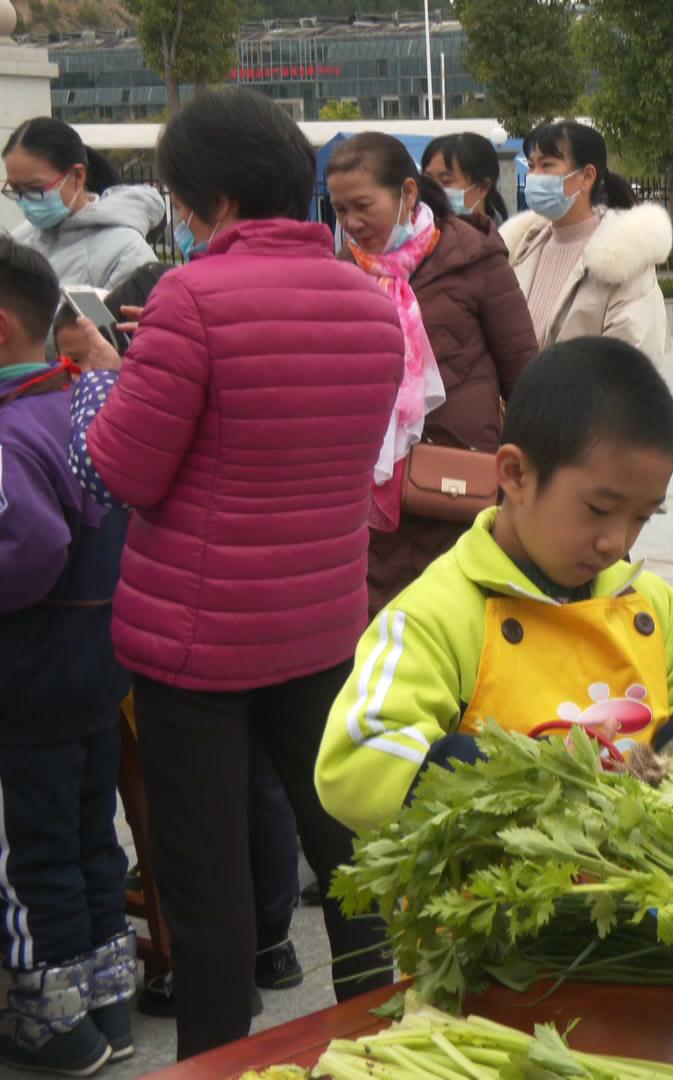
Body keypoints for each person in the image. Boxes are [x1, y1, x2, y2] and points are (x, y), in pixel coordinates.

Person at [62, 86, 402, 1060]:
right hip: (320, 626)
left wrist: (109, 373)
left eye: (177, 197)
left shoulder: (191, 298)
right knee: (347, 857)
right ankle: (381, 1042)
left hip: (196, 643)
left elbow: (122, 471)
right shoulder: (369, 302)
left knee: (206, 885)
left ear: (209, 199)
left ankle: (218, 1059)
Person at [315, 337, 673, 833]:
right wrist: (524, 771)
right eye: (599, 509)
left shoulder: (647, 603)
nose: (616, 541)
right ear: (516, 474)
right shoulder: (436, 614)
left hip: (639, 874)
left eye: (642, 517)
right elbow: (356, 759)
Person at [92, 262, 307, 1018]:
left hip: (196, 621)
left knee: (199, 816)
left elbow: (124, 473)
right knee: (268, 784)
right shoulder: (325, 324)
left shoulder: (181, 346)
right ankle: (272, 943)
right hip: (297, 609)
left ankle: (220, 984)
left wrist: (124, 375)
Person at [0, 237, 134, 1077]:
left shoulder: (10, 429)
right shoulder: (81, 405)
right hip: (94, 663)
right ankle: (107, 1006)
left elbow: (30, 545)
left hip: (29, 673)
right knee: (91, 839)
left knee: (33, 852)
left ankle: (56, 1028)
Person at [326, 132, 540, 612]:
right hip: (372, 496)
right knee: (383, 622)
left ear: (407, 192)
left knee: (459, 613)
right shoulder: (341, 273)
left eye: (363, 205)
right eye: (340, 210)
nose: (352, 223)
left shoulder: (475, 258)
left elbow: (524, 373)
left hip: (458, 486)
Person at [500, 122, 671, 357]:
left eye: (547, 165)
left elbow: (629, 358)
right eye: (531, 166)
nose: (534, 176)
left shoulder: (624, 258)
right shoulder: (520, 248)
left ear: (587, 176)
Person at [3, 117, 166, 291]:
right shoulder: (21, 239)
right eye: (16, 190)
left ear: (78, 176)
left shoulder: (127, 251)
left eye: (36, 189)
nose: (25, 200)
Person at [423, 132, 509, 225]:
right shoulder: (421, 231)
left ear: (482, 188)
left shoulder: (507, 233)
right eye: (428, 180)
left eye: (446, 181)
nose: (433, 189)